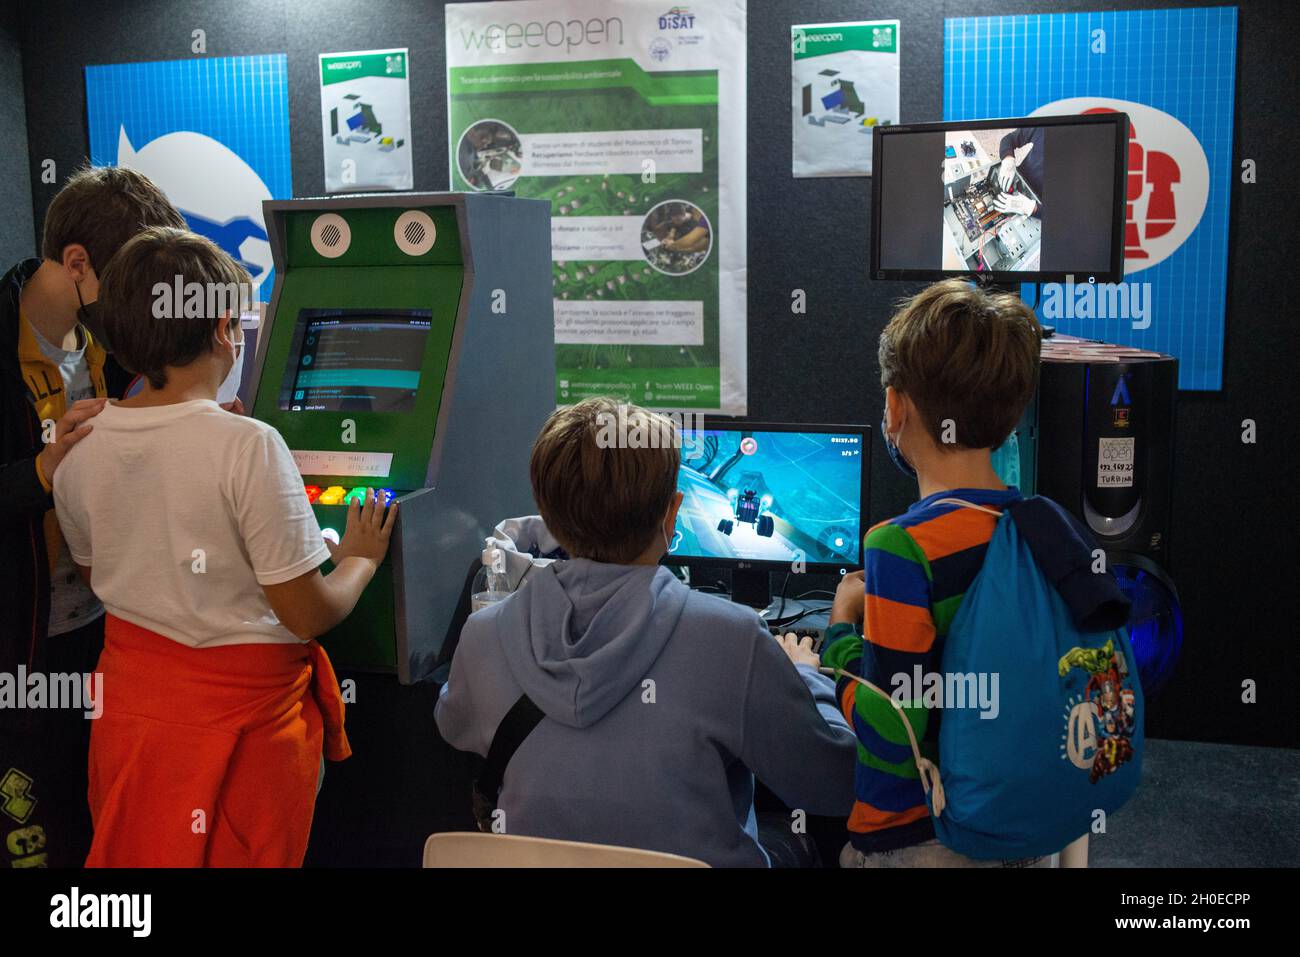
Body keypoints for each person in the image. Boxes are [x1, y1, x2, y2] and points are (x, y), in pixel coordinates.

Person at [51, 226, 396, 866]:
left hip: (131, 722)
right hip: (245, 734)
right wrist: (358, 560)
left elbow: (108, 567)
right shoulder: (250, 445)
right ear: (219, 329)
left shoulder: (80, 450)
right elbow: (308, 613)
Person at [435, 397, 856, 867]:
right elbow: (833, 783)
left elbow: (454, 726)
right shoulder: (733, 639)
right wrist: (809, 676)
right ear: (671, 514)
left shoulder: (483, 632)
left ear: (546, 517)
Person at [818, 279, 1110, 867]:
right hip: (1023, 824)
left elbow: (890, 729)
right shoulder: (1047, 524)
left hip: (920, 837)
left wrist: (837, 635)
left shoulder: (899, 546)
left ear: (896, 407)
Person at [0, 165, 186, 868]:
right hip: (19, 655)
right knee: (34, 849)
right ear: (76, 263)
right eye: (130, 279)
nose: (142, 303)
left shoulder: (118, 352)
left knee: (103, 838)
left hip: (109, 640)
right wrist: (42, 473)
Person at [994, 127, 1044, 219]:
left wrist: (1032, 208)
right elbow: (1009, 139)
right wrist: (1008, 159)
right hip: (1017, 179)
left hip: (1036, 206)